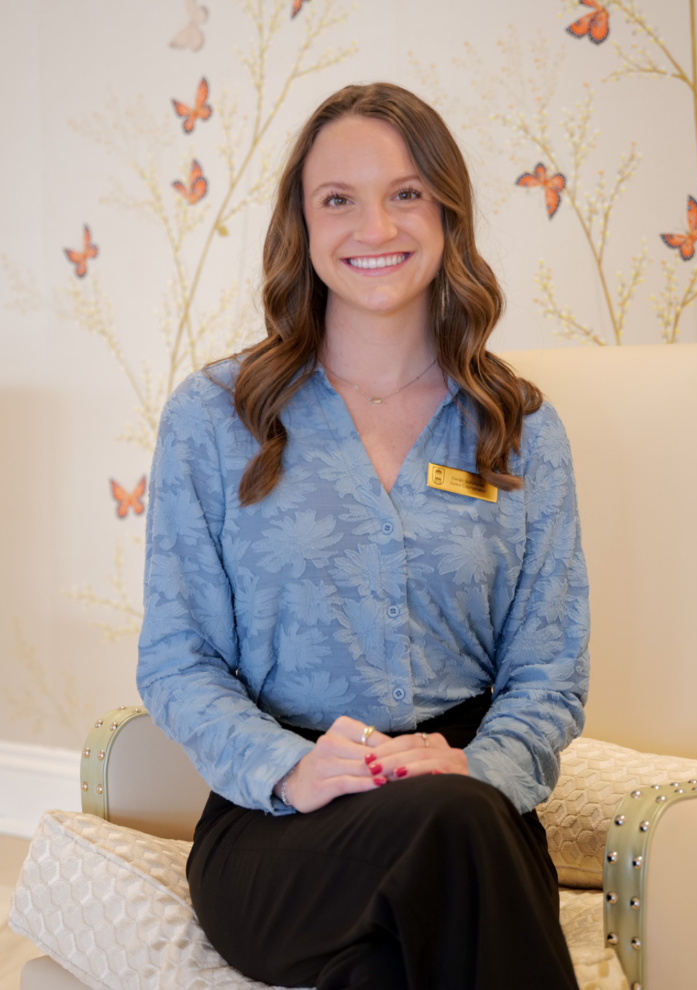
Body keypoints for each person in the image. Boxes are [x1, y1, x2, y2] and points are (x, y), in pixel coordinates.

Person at [137, 82, 589, 990]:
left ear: (447, 213)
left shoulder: (519, 429)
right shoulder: (213, 418)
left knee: (410, 922)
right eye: (337, 199)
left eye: (405, 193)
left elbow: (549, 670)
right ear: (301, 227)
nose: (373, 225)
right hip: (280, 826)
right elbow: (176, 659)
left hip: (469, 795)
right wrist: (290, 768)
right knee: (452, 840)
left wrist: (477, 766)